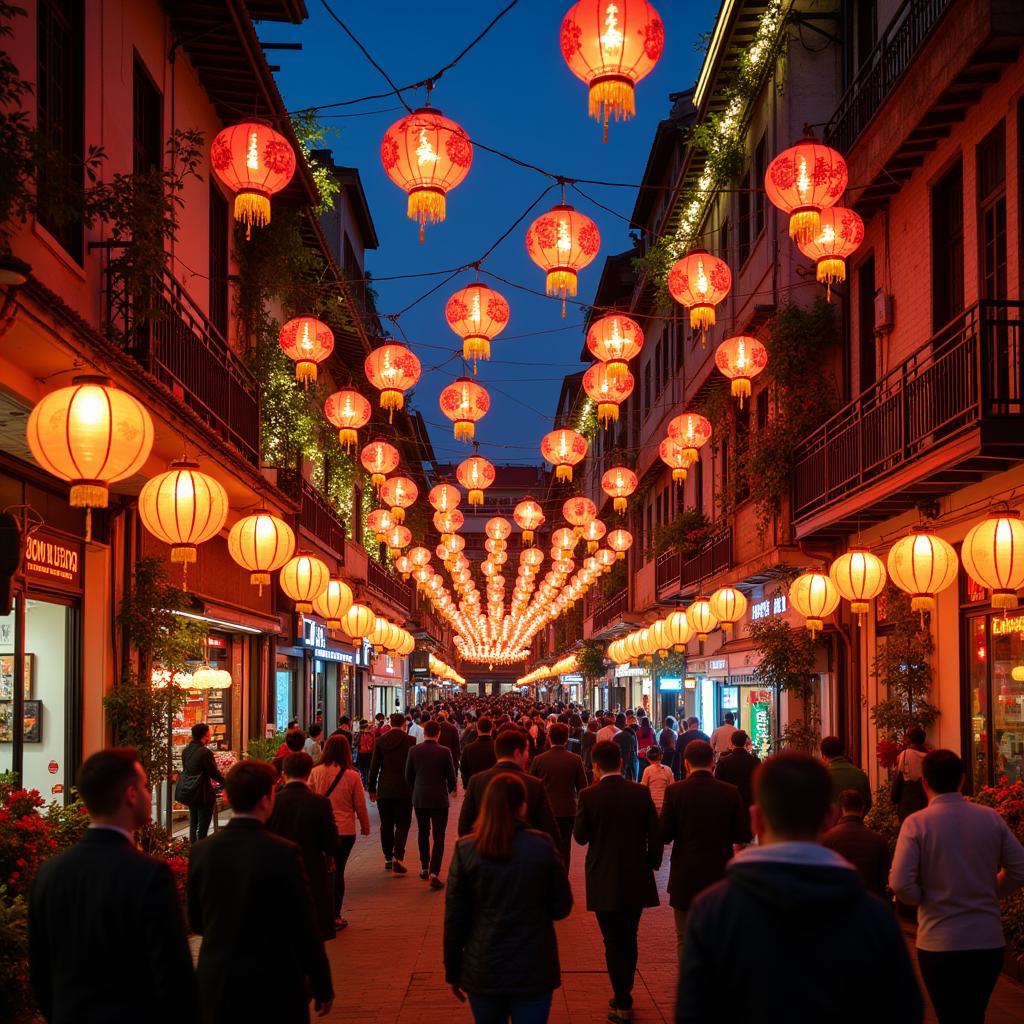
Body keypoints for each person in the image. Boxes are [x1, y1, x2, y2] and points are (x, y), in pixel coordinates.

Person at [677, 753, 922, 1022]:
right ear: (831, 817)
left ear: (756, 820)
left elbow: (693, 1012)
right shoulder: (874, 917)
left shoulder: (713, 912)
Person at [29, 748, 197, 1024]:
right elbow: (173, 975)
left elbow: (40, 970)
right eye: (144, 786)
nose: (148, 794)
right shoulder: (148, 874)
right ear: (130, 795)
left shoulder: (49, 873)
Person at [188, 761, 334, 1022]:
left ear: (226, 796)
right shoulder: (284, 852)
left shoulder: (201, 851)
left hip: (218, 980)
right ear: (269, 798)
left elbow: (196, 921)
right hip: (275, 980)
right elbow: (304, 926)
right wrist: (321, 983)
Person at [890, 749, 1024, 1023]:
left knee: (948, 1014)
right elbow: (1019, 868)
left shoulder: (917, 824)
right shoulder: (990, 818)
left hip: (939, 941)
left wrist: (922, 898)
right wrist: (992, 889)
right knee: (975, 1013)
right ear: (962, 780)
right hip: (987, 940)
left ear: (925, 782)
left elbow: (900, 882)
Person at [444, 774, 573, 1024]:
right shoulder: (542, 845)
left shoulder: (466, 850)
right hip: (533, 965)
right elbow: (562, 907)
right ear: (522, 806)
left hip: (483, 967)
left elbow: (454, 918)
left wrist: (453, 969)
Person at [574, 740, 662, 1024]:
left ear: (596, 767)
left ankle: (622, 998)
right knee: (630, 936)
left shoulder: (589, 796)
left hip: (603, 875)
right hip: (636, 873)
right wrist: (651, 862)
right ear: (622, 763)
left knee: (612, 939)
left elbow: (580, 836)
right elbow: (655, 833)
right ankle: (624, 992)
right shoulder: (639, 793)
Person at [658, 740, 749, 963]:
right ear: (712, 761)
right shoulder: (729, 792)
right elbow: (741, 835)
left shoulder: (675, 792)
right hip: (720, 873)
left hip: (684, 874)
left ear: (686, 763)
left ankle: (690, 986)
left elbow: (665, 834)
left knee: (684, 936)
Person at [268, 752, 344, 940]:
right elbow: (332, 844)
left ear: (284, 774)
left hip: (279, 872)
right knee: (312, 931)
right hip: (312, 871)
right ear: (309, 773)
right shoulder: (320, 803)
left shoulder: (272, 802)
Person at [309, 734, 370, 929]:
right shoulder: (352, 775)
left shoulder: (315, 772)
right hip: (344, 829)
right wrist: (365, 825)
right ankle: (335, 915)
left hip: (319, 828)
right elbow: (360, 804)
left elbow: (309, 797)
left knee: (323, 870)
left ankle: (320, 913)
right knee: (338, 871)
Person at [459, 728, 559, 846]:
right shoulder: (534, 784)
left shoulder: (476, 781)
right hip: (525, 853)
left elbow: (464, 827)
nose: (528, 755)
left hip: (484, 851)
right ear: (517, 753)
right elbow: (550, 830)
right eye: (526, 751)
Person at [406, 719, 457, 889]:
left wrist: (416, 788)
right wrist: (451, 789)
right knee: (439, 836)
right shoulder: (445, 751)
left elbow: (408, 776)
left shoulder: (413, 751)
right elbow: (451, 776)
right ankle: (435, 871)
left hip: (420, 798)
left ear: (424, 732)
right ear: (438, 734)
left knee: (422, 832)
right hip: (439, 799)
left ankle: (424, 866)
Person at [530, 722, 588, 869]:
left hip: (545, 809)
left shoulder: (539, 759)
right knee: (564, 846)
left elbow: (532, 786)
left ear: (549, 738)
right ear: (566, 738)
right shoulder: (575, 759)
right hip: (567, 810)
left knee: (544, 844)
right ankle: (563, 874)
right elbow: (582, 787)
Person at [368, 711, 416, 873]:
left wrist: (371, 788)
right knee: (403, 823)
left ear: (390, 723)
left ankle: (388, 857)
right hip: (404, 788)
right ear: (404, 724)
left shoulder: (381, 741)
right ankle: (398, 856)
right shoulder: (411, 741)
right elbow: (413, 767)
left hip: (385, 788)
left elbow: (374, 767)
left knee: (386, 825)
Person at [822, 789, 891, 898]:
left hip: (838, 902)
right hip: (870, 903)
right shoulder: (879, 840)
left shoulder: (828, 839)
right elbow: (884, 878)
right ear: (862, 808)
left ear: (841, 808)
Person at [177, 722, 226, 842]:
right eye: (209, 734)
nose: (210, 736)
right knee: (203, 827)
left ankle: (192, 849)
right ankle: (201, 851)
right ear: (205, 735)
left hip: (190, 791)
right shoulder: (205, 752)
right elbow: (213, 773)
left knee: (193, 823)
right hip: (203, 793)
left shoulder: (186, 751)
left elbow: (186, 770)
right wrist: (226, 781)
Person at [820, 736, 872, 812]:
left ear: (823, 756)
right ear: (843, 752)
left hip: (831, 823)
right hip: (855, 821)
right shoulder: (860, 775)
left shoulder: (821, 777)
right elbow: (867, 804)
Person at [714, 730, 760, 810]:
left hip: (728, 801)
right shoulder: (755, 761)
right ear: (746, 742)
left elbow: (717, 782)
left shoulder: (723, 761)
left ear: (732, 742)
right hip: (749, 801)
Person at [891, 726, 929, 821]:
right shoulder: (930, 757)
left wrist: (894, 797)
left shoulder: (905, 755)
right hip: (926, 802)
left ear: (909, 740)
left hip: (908, 803)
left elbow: (898, 779)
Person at [460, 715, 497, 789]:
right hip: (493, 786)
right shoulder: (498, 747)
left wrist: (466, 785)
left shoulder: (468, 748)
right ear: (491, 729)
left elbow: (463, 769)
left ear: (478, 729)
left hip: (474, 785)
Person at [639, 745, 675, 815]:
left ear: (647, 758)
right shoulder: (668, 769)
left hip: (652, 805)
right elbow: (672, 787)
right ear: (661, 756)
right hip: (665, 804)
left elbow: (644, 787)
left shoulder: (647, 770)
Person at [613, 713, 640, 782]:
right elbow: (630, 756)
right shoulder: (630, 737)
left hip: (619, 768)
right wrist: (633, 774)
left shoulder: (619, 735)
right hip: (627, 771)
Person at [436, 710, 463, 779]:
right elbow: (457, 744)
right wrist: (458, 755)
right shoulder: (452, 727)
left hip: (438, 754)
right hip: (451, 754)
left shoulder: (435, 727)